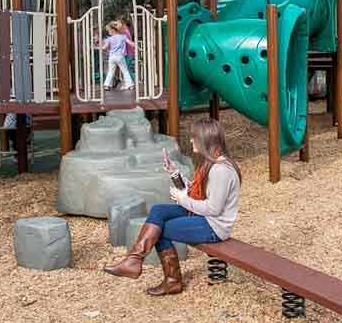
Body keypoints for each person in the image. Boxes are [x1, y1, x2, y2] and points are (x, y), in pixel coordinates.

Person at [103, 118, 241, 296]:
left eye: (194, 137)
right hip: (203, 216)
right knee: (158, 211)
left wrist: (182, 199)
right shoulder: (212, 164)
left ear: (205, 140)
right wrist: (176, 174)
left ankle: (172, 281)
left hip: (214, 227)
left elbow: (213, 209)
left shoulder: (221, 170)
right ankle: (134, 260)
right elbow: (198, 192)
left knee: (161, 230)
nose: (191, 140)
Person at [98, 20, 135, 91]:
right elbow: (131, 43)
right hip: (120, 56)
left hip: (112, 57)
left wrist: (98, 47)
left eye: (109, 31)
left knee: (111, 71)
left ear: (113, 30)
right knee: (125, 71)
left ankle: (107, 85)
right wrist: (136, 46)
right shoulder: (123, 37)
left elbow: (104, 48)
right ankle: (130, 85)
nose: (109, 32)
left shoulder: (109, 39)